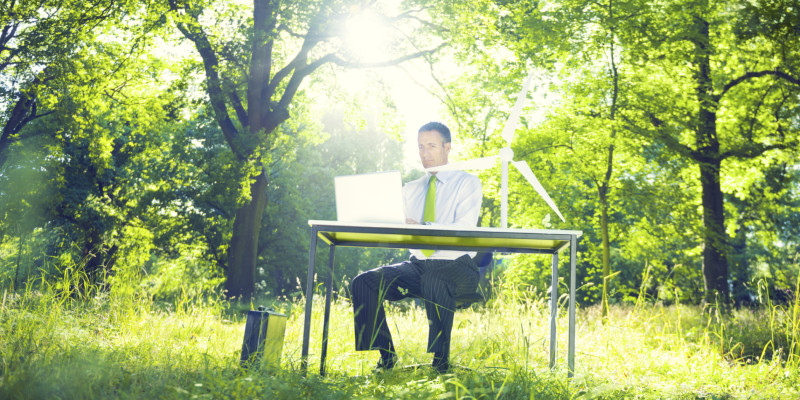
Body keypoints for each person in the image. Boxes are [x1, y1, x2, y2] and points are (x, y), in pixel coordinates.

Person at [349, 121, 482, 373]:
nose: (425, 154)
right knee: (363, 282)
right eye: (421, 147)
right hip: (418, 266)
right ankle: (387, 358)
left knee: (435, 278)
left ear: (448, 148)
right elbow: (395, 225)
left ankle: (440, 363)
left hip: (458, 267)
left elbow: (463, 227)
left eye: (431, 146)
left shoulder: (467, 183)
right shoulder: (410, 190)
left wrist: (421, 225)